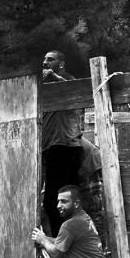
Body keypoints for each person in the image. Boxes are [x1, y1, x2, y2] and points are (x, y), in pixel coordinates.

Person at [41, 50, 83, 237]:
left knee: (53, 202)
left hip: (64, 146)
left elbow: (76, 91)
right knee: (68, 201)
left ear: (61, 64)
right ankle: (72, 244)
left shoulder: (67, 80)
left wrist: (55, 77)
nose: (45, 62)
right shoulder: (45, 90)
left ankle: (63, 245)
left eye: (50, 59)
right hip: (53, 149)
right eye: (44, 60)